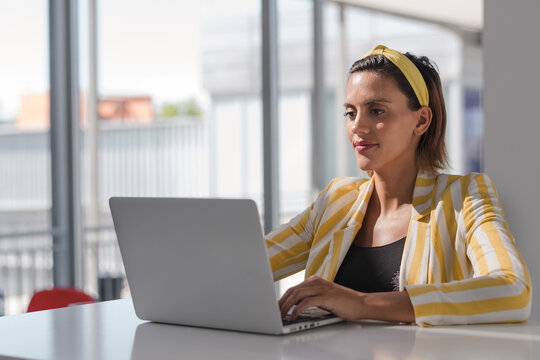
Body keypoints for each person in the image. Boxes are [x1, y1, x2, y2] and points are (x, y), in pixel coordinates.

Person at [265, 45, 532, 327]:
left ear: (421, 120)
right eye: (350, 113)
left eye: (376, 110)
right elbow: (246, 265)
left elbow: (513, 290)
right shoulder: (335, 201)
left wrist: (360, 303)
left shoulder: (463, 197)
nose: (357, 126)